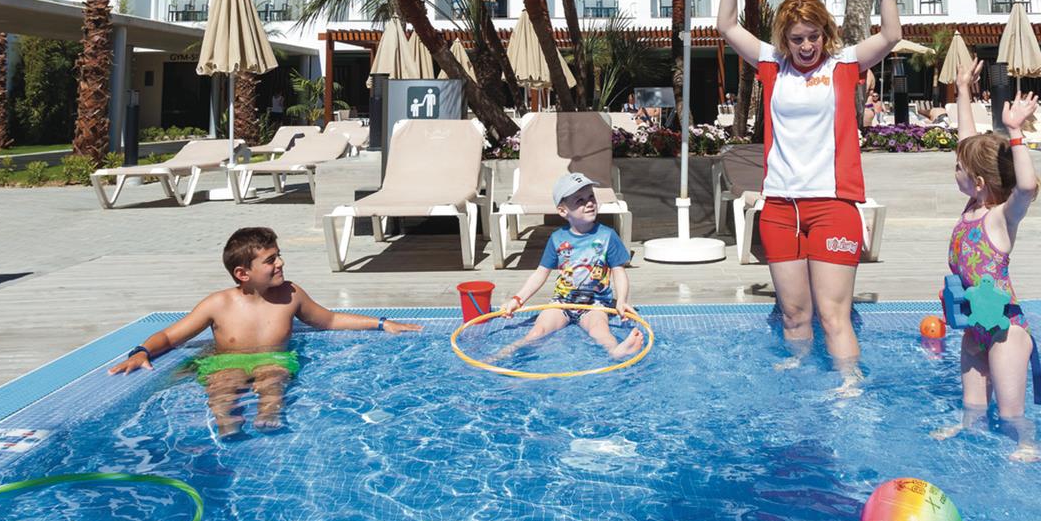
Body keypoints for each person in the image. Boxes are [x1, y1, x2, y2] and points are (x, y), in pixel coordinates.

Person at [716, 0, 901, 382]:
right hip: (780, 207)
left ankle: (849, 386)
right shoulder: (771, 65)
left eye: (813, 36)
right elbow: (726, 25)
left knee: (833, 315)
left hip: (833, 206)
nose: (805, 46)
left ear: (825, 34)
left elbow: (891, 35)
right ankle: (800, 380)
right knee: (795, 314)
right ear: (785, 39)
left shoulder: (844, 64)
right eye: (797, 38)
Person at [109, 226, 422, 436]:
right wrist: (142, 352)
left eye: (279, 255)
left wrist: (381, 323)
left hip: (274, 359)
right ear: (243, 273)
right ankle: (225, 423)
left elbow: (328, 320)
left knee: (273, 379)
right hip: (225, 362)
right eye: (271, 260)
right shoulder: (218, 304)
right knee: (222, 385)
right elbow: (169, 336)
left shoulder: (290, 295)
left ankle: (269, 416)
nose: (280, 263)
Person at [936, 61, 1041, 461]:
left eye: (958, 169)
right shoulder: (972, 206)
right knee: (973, 408)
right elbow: (968, 142)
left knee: (1011, 413)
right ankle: (969, 433)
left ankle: (1027, 444)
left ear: (979, 182)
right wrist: (963, 89)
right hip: (974, 328)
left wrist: (1015, 132)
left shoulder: (1000, 218)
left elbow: (1026, 187)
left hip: (1005, 330)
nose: (955, 170)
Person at [498, 172, 644, 360]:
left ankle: (617, 351)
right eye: (580, 200)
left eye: (591, 197)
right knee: (538, 331)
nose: (589, 203)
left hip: (595, 304)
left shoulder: (608, 236)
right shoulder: (557, 238)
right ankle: (505, 354)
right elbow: (540, 274)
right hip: (562, 302)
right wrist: (517, 300)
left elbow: (619, 271)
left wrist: (622, 300)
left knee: (599, 331)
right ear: (563, 211)